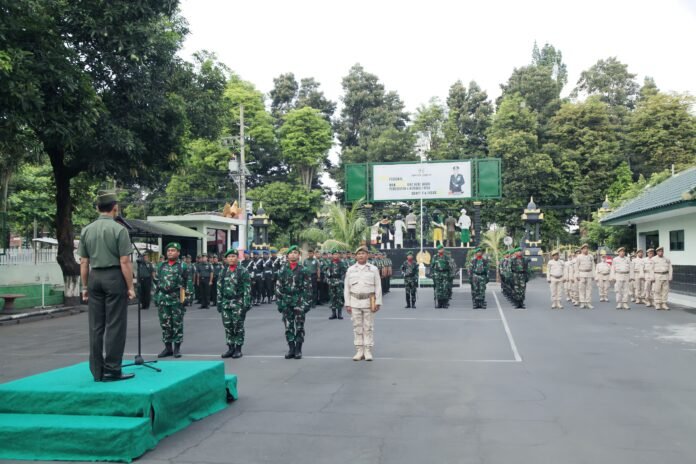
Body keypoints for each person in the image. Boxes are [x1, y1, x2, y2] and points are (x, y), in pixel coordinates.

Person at [78, 191, 136, 382]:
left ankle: (97, 370)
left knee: (96, 326)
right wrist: (130, 287)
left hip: (94, 277)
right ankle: (112, 369)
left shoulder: (87, 230)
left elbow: (84, 262)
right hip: (114, 277)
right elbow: (125, 261)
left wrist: (84, 287)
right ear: (115, 208)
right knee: (115, 324)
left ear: (97, 208)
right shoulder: (119, 230)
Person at [345, 246, 382, 361]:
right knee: (357, 327)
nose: (361, 255)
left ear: (367, 255)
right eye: (359, 254)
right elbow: (346, 288)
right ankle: (359, 350)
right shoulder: (350, 269)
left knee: (368, 327)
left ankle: (367, 350)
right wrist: (347, 303)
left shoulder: (373, 269)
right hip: (354, 301)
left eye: (363, 253)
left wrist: (378, 302)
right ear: (356, 256)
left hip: (368, 301)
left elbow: (378, 286)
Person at [276, 245, 312, 359]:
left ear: (299, 255)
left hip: (299, 301)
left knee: (300, 326)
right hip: (286, 301)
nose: (293, 255)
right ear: (287, 256)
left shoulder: (304, 270)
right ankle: (291, 348)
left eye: (295, 253)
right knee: (288, 326)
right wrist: (279, 303)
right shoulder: (282, 270)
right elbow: (278, 287)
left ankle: (298, 349)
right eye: (291, 253)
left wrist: (307, 303)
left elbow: (308, 288)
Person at [154, 242, 188, 358]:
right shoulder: (161, 265)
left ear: (178, 253)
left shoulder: (182, 266)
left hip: (176, 298)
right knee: (165, 324)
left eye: (173, 250)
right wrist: (156, 297)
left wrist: (186, 299)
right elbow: (157, 282)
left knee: (177, 323)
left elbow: (187, 283)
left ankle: (177, 348)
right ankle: (168, 348)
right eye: (168, 250)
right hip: (163, 298)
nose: (170, 252)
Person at [218, 249, 251, 358]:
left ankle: (238, 349)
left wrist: (246, 303)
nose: (231, 258)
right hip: (226, 302)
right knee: (228, 325)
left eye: (233, 256)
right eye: (229, 257)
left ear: (237, 258)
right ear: (226, 259)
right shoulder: (223, 271)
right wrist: (219, 302)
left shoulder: (243, 271)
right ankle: (230, 348)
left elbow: (247, 289)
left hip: (238, 302)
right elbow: (219, 288)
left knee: (238, 325)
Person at [325, 250, 347, 320]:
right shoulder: (329, 263)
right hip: (331, 281)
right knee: (332, 297)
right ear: (332, 255)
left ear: (339, 255)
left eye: (337, 254)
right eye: (334, 254)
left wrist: (342, 280)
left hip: (339, 281)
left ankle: (339, 313)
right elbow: (326, 271)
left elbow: (344, 272)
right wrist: (328, 280)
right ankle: (333, 313)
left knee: (339, 297)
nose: (335, 255)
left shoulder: (341, 263)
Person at [650, 246, 673, 310]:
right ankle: (657, 303)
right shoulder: (653, 259)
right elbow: (651, 269)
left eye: (662, 251)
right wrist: (652, 277)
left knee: (665, 290)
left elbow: (670, 268)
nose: (661, 252)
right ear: (657, 252)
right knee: (657, 290)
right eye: (659, 251)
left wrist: (670, 276)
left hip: (665, 276)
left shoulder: (667, 259)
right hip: (657, 276)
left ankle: (664, 303)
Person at [575, 244, 595, 309]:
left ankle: (588, 303)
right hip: (582, 273)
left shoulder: (591, 256)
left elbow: (593, 266)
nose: (586, 250)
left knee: (589, 289)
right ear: (582, 250)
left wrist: (593, 275)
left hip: (589, 273)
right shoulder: (579, 257)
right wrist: (577, 275)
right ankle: (582, 303)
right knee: (581, 289)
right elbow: (576, 266)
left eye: (587, 248)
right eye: (584, 248)